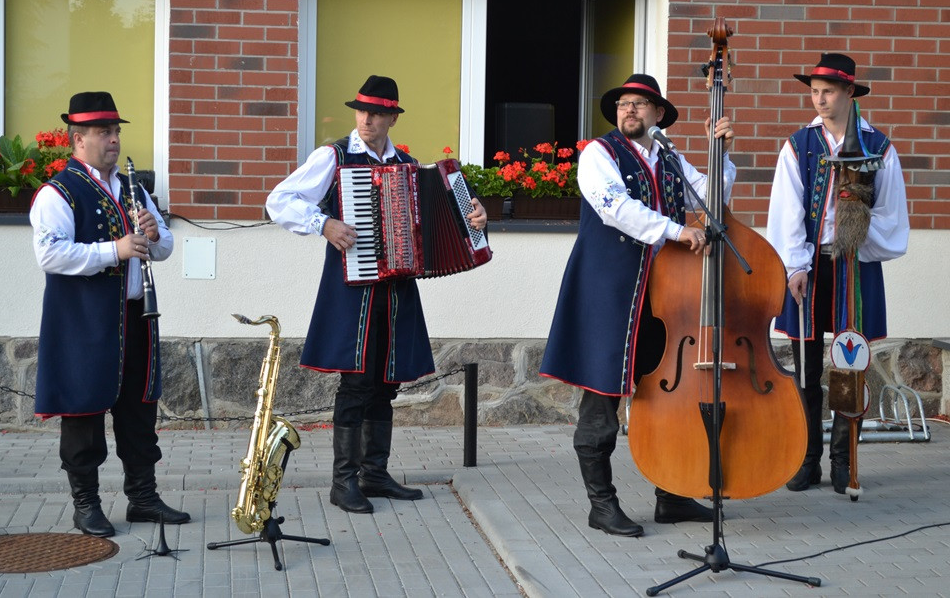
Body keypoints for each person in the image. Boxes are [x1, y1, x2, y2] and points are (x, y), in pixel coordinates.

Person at [266, 75, 487, 514]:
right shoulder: (334, 156)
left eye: (376, 112)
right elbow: (279, 200)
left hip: (397, 289)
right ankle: (343, 481)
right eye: (361, 110)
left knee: (388, 382)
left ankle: (375, 473)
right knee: (356, 383)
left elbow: (439, 217)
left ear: (391, 117)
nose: (366, 119)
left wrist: (475, 217)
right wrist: (324, 224)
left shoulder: (407, 163)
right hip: (353, 288)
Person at [540, 74, 735, 537]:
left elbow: (711, 199)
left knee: (666, 401)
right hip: (608, 294)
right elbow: (615, 207)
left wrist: (720, 154)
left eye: (641, 104)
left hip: (662, 297)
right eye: (624, 103)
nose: (630, 110)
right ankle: (601, 504)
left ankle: (671, 496)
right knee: (603, 398)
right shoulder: (598, 154)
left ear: (658, 114)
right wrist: (677, 231)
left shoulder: (669, 158)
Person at [31, 92, 190, 537]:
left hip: (136, 315)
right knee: (84, 409)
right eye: (104, 132)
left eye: (116, 131)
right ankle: (87, 504)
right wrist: (114, 250)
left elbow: (162, 248)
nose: (114, 139)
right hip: (85, 320)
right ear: (78, 139)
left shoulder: (132, 187)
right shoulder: (58, 192)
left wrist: (156, 236)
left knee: (139, 408)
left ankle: (142, 497)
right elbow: (50, 253)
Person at [766, 53, 909, 493]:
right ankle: (805, 459)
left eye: (828, 91)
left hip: (855, 267)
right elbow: (785, 213)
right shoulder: (798, 145)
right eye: (814, 91)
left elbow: (893, 218)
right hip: (809, 266)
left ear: (850, 93)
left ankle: (843, 461)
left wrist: (856, 230)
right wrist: (794, 266)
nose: (820, 99)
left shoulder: (878, 148)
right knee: (807, 369)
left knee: (850, 365)